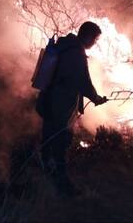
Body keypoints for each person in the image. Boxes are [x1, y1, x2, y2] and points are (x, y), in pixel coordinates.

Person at [39, 21, 107, 197]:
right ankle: (62, 185)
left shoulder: (64, 45)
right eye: (95, 39)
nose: (95, 43)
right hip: (61, 104)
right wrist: (96, 98)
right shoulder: (76, 53)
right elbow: (83, 82)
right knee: (60, 140)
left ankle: (45, 169)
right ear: (88, 37)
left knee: (48, 136)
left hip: (48, 98)